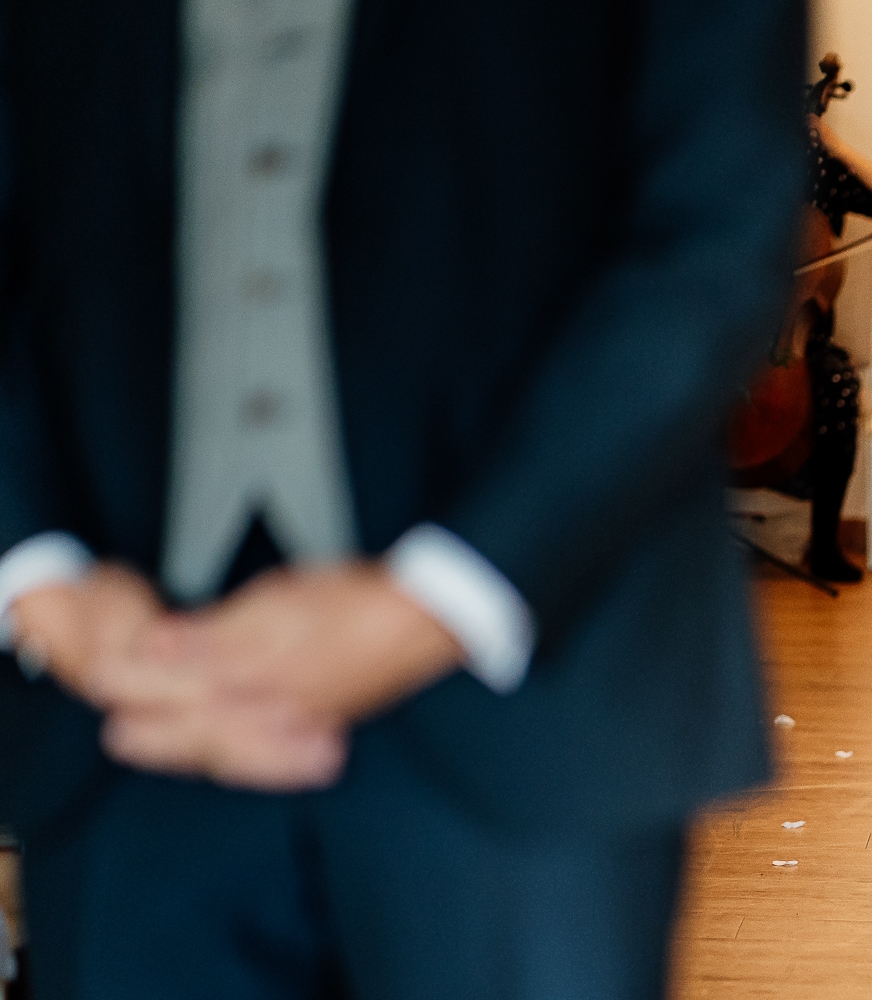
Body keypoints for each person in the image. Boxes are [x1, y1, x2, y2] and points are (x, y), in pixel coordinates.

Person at [0, 2, 805, 998]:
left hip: (540, 703)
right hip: (123, 699)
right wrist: (37, 574)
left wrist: (445, 592)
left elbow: (717, 222)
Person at [788, 113, 872, 583]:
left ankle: (822, 544)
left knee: (839, 386)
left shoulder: (825, 174)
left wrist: (837, 148)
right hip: (728, 332)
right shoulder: (734, 165)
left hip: (799, 338)